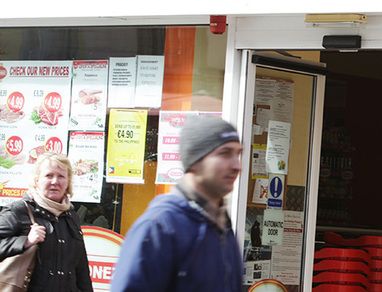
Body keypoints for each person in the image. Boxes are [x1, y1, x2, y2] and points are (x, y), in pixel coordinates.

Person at [111, 115, 243, 292]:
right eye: (225, 153)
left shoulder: (221, 224)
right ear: (195, 161)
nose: (237, 165)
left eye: (238, 154)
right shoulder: (159, 226)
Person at [0, 152, 93, 292]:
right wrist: (25, 242)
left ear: (68, 182)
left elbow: (81, 268)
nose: (55, 181)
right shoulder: (19, 211)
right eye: (49, 175)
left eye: (61, 176)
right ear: (37, 180)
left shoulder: (71, 215)